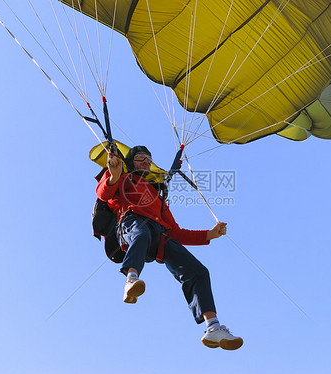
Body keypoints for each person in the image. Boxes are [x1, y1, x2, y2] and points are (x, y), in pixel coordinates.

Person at [96, 145, 243, 350]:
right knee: (141, 233)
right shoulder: (123, 179)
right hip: (131, 223)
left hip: (160, 235)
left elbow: (175, 232)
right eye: (140, 158)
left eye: (149, 158)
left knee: (198, 271)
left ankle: (213, 327)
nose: (146, 161)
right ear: (131, 162)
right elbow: (104, 194)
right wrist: (114, 174)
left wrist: (209, 234)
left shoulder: (158, 196)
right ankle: (131, 279)